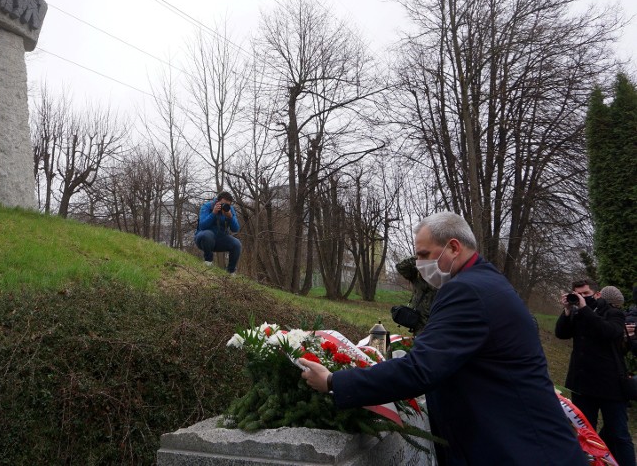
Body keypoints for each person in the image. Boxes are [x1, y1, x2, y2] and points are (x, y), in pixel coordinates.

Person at [298, 211, 586, 466]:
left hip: (518, 451)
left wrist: (335, 382)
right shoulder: (485, 281)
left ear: (453, 247)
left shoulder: (466, 291)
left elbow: (420, 368)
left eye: (424, 255)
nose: (420, 263)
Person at [555, 282, 635, 466]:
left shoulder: (613, 313)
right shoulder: (576, 313)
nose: (581, 297)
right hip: (583, 384)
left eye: (585, 293)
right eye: (577, 294)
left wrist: (584, 308)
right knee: (584, 433)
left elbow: (609, 332)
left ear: (597, 294)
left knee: (619, 434)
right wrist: (567, 311)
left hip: (610, 385)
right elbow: (561, 333)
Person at [194, 191, 241, 274]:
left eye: (227, 205)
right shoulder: (207, 206)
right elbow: (202, 226)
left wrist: (230, 217)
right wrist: (213, 213)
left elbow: (236, 229)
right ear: (217, 201)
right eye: (223, 204)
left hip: (220, 240)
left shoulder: (230, 209)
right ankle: (208, 262)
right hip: (203, 239)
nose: (225, 206)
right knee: (208, 235)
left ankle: (230, 271)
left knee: (237, 244)